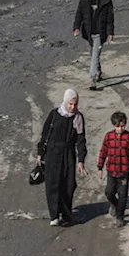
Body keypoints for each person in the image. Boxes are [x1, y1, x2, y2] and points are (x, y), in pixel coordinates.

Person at [36, 89, 88, 227]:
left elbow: (81, 140)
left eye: (75, 104)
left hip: (68, 154)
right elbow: (45, 134)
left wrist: (81, 160)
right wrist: (40, 152)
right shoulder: (54, 115)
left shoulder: (78, 118)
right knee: (52, 184)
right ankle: (54, 215)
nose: (72, 107)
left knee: (69, 185)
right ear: (65, 102)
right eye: (70, 104)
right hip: (52, 153)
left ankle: (66, 214)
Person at [72, 0, 115, 90]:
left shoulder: (106, 0)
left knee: (95, 57)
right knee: (93, 54)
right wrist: (76, 27)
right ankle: (98, 72)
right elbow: (79, 14)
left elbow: (110, 18)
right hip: (88, 33)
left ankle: (92, 80)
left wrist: (110, 33)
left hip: (100, 35)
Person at [97, 112, 129, 225]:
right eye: (117, 126)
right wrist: (100, 167)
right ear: (113, 125)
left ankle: (120, 216)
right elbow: (103, 152)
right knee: (109, 192)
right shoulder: (108, 137)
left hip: (124, 171)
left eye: (122, 126)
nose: (120, 129)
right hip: (112, 170)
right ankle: (115, 205)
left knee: (123, 195)